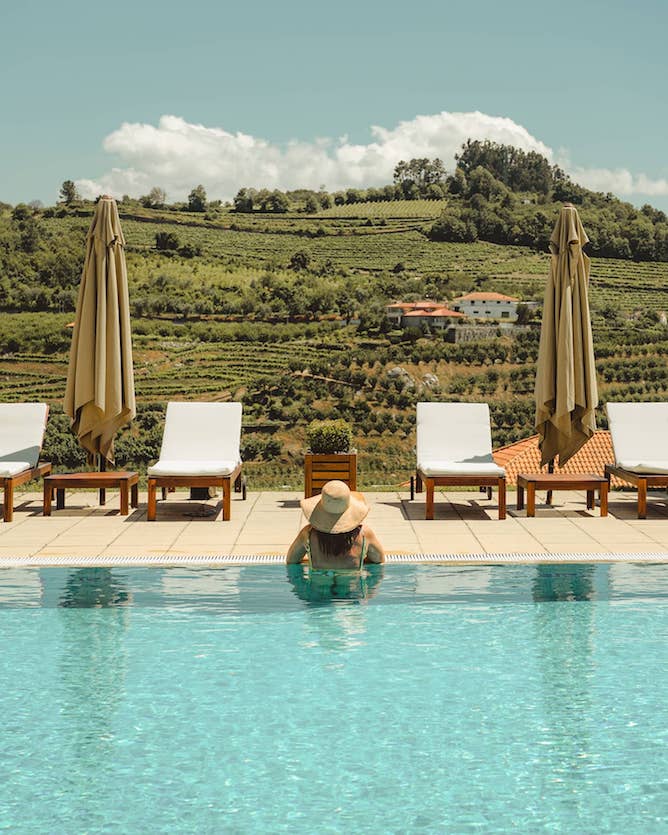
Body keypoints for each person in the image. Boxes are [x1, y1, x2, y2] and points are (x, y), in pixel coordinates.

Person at [287, 480, 385, 570]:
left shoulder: (307, 534)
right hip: (353, 589)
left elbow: (291, 561)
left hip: (318, 588)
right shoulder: (364, 534)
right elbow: (379, 561)